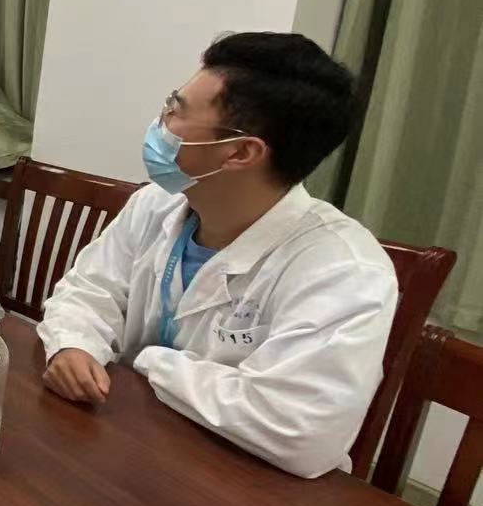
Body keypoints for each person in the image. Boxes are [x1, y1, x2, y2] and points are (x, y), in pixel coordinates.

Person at [38, 32, 397, 479]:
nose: (161, 122)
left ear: (241, 152)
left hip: (254, 488)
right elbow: (89, 288)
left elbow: (299, 431)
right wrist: (75, 343)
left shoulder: (344, 270)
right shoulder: (156, 203)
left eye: (176, 110)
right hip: (134, 450)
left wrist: (150, 360)